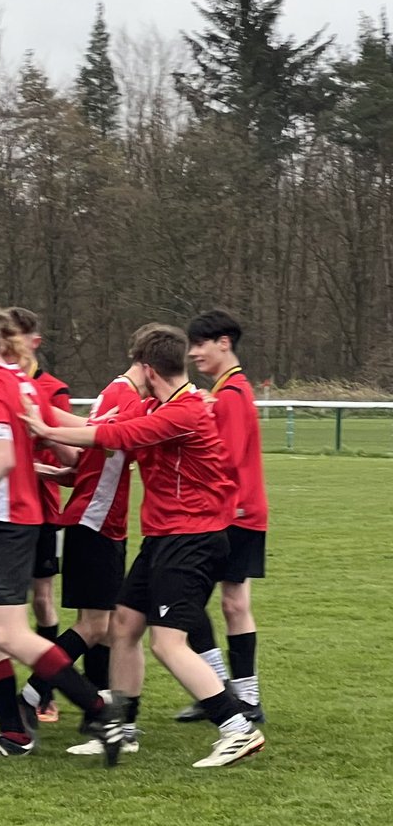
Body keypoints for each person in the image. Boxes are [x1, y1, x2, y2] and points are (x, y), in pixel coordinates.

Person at [22, 326, 266, 768]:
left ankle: (237, 727)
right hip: (163, 538)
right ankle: (124, 727)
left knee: (168, 644)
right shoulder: (160, 405)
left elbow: (113, 438)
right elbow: (99, 425)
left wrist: (40, 424)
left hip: (191, 538)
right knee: (125, 628)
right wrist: (37, 413)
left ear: (149, 370)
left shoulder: (185, 411)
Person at [0, 301, 117, 762]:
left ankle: (99, 711)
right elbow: (68, 454)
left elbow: (0, 457)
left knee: (11, 634)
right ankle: (14, 734)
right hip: (18, 517)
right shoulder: (18, 381)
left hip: (4, 520)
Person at [174, 309, 268, 723]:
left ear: (223, 343)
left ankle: (237, 695)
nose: (193, 353)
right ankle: (230, 692)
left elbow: (221, 460)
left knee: (199, 599)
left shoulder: (230, 395)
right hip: (239, 510)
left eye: (200, 344)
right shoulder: (231, 390)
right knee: (225, 602)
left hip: (234, 512)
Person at [8, 306, 71, 722]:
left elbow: (71, 463)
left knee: (43, 599)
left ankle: (44, 692)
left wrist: (37, 468)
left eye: (18, 337)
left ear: (34, 342)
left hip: (43, 511)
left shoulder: (53, 390)